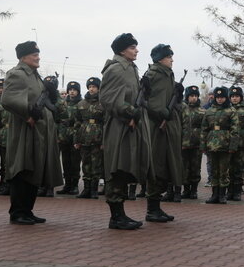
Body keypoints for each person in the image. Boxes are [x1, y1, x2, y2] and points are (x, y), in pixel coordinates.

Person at [1, 41, 62, 224]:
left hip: (39, 131)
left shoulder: (35, 76)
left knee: (35, 168)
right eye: (34, 54)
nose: (38, 57)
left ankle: (27, 210)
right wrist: (27, 112)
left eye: (38, 53)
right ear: (23, 57)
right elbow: (8, 99)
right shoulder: (17, 74)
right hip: (25, 130)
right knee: (22, 168)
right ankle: (18, 212)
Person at [100, 33, 151, 230]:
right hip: (119, 126)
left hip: (130, 125)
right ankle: (116, 216)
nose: (136, 50)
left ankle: (121, 214)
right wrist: (130, 112)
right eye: (132, 47)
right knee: (117, 168)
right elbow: (108, 99)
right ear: (122, 50)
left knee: (125, 167)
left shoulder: (130, 68)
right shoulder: (116, 69)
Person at [145, 44, 183, 222]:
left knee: (165, 166)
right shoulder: (156, 74)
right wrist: (162, 113)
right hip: (156, 127)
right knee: (157, 166)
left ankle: (156, 207)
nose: (172, 60)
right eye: (169, 57)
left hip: (166, 126)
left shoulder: (166, 74)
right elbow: (153, 101)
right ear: (161, 59)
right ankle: (152, 209)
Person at [200, 86, 239, 204]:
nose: (220, 99)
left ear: (225, 98)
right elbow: (204, 129)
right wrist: (203, 145)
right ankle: (214, 194)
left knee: (224, 171)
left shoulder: (231, 111)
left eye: (222, 97)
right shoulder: (209, 111)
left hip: (225, 146)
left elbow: (235, 130)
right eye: (218, 97)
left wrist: (233, 146)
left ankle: (222, 194)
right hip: (212, 145)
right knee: (213, 171)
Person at [73, 77, 104, 199]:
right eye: (90, 87)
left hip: (97, 137)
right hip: (84, 137)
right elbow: (77, 123)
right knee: (85, 163)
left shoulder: (103, 103)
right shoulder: (81, 104)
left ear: (98, 88)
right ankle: (86, 189)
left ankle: (94, 190)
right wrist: (76, 140)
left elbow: (106, 123)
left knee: (96, 164)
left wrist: (104, 141)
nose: (91, 89)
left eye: (94, 87)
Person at [56, 81, 82, 195]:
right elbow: (58, 119)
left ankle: (75, 185)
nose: (72, 91)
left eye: (74, 90)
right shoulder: (63, 103)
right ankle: (67, 185)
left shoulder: (81, 104)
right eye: (70, 89)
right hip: (64, 135)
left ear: (78, 91)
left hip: (76, 135)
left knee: (75, 162)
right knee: (65, 161)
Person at [228, 86, 244, 201]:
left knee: (239, 168)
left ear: (241, 97)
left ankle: (237, 191)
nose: (234, 99)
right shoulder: (227, 109)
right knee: (229, 168)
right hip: (228, 144)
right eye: (232, 96)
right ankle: (229, 191)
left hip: (241, 144)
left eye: (237, 96)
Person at [180, 85, 205, 199]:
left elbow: (205, 128)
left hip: (196, 144)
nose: (193, 98)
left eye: (195, 96)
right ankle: (186, 189)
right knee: (184, 167)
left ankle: (194, 190)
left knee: (195, 167)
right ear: (187, 96)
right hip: (184, 144)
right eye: (191, 96)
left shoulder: (202, 111)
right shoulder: (182, 109)